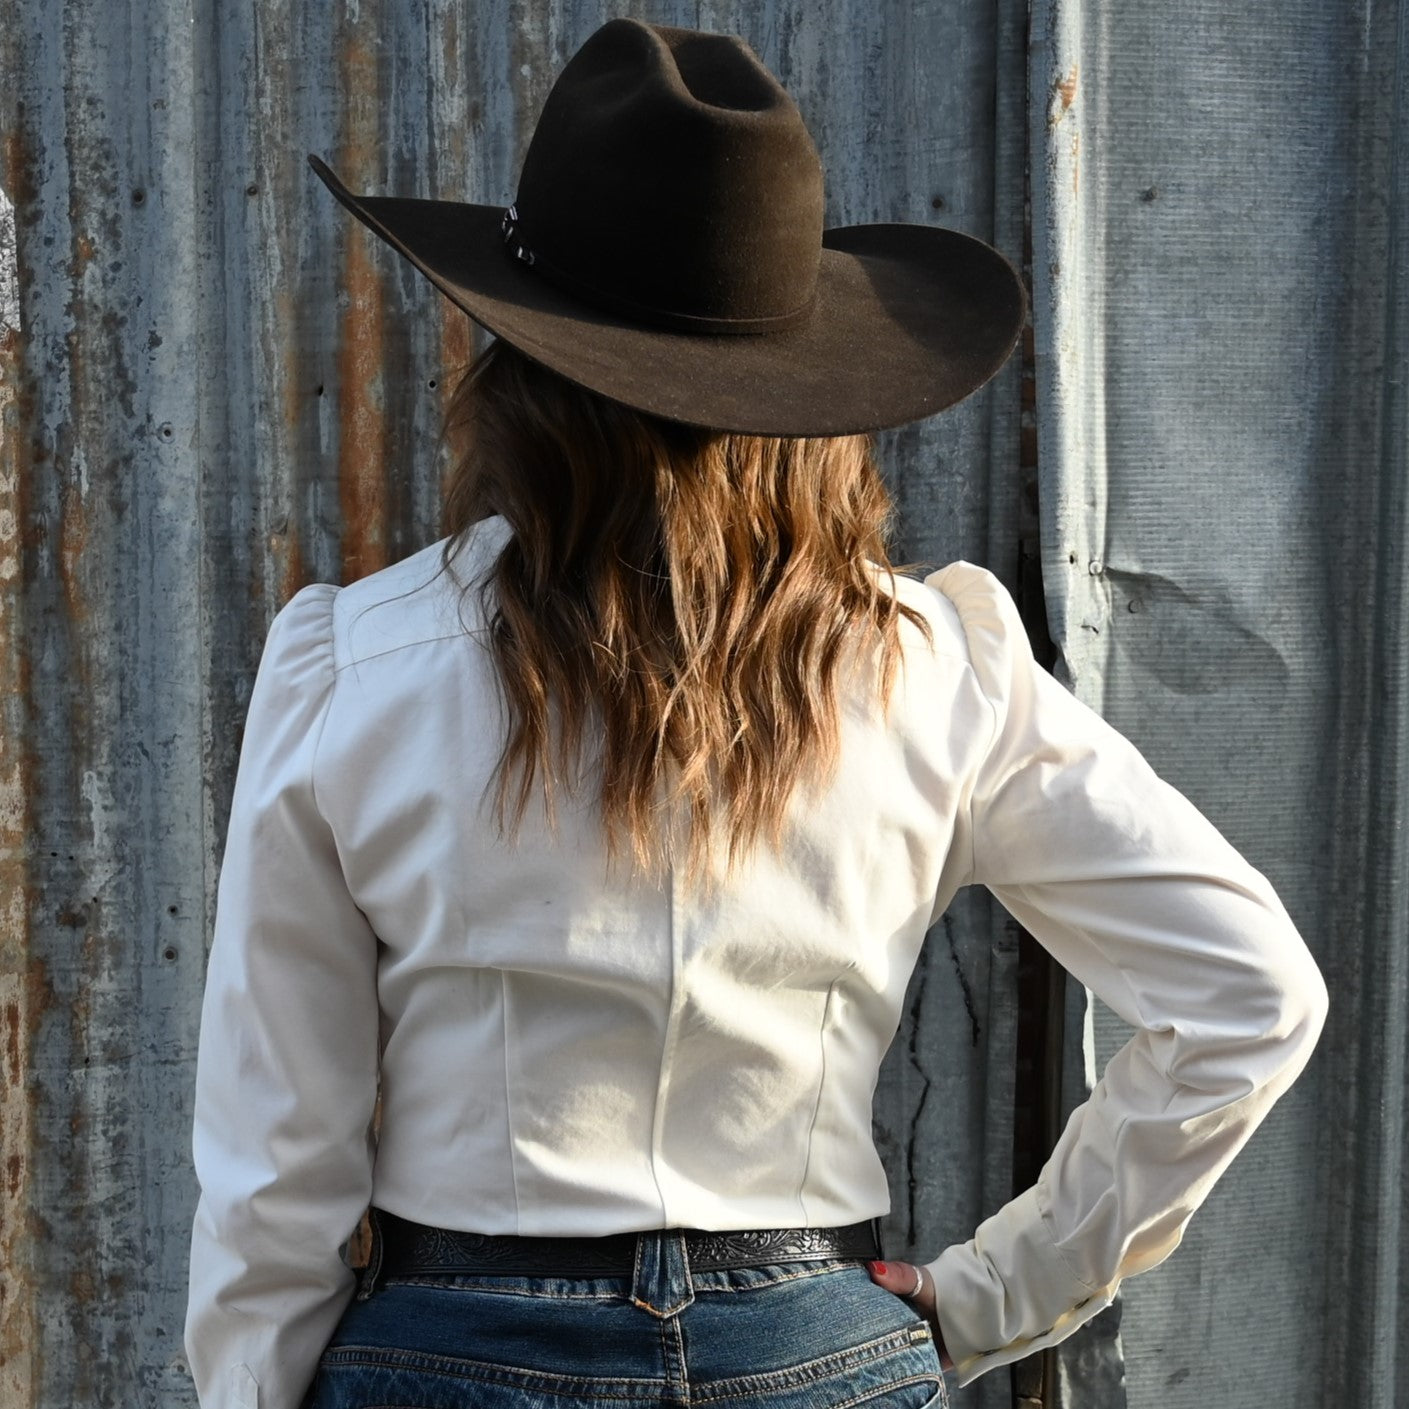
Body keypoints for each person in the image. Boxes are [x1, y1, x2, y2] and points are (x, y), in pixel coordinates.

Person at [184, 18, 1328, 1409]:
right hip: (813, 1353)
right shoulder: (937, 668)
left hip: (452, 1354)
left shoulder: (351, 666)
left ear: (517, 377)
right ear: (812, 399)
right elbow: (1247, 996)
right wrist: (988, 1300)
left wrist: (254, 1387)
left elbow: (275, 1149)